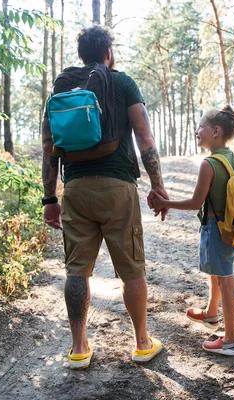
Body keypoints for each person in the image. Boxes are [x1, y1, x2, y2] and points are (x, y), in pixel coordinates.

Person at [41, 26, 169, 369]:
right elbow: (144, 137)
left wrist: (49, 198)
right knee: (131, 270)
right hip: (118, 189)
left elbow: (48, 148)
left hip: (76, 190)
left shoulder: (62, 87)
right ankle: (142, 343)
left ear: (81, 54)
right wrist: (157, 185)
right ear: (108, 53)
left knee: (77, 271)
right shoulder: (122, 82)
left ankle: (79, 348)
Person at [150, 105, 234, 356]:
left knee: (226, 281)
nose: (197, 131)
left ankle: (230, 341)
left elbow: (196, 203)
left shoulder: (209, 164)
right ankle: (210, 313)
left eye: (201, 127)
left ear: (216, 131)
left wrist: (165, 202)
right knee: (218, 273)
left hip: (216, 230)